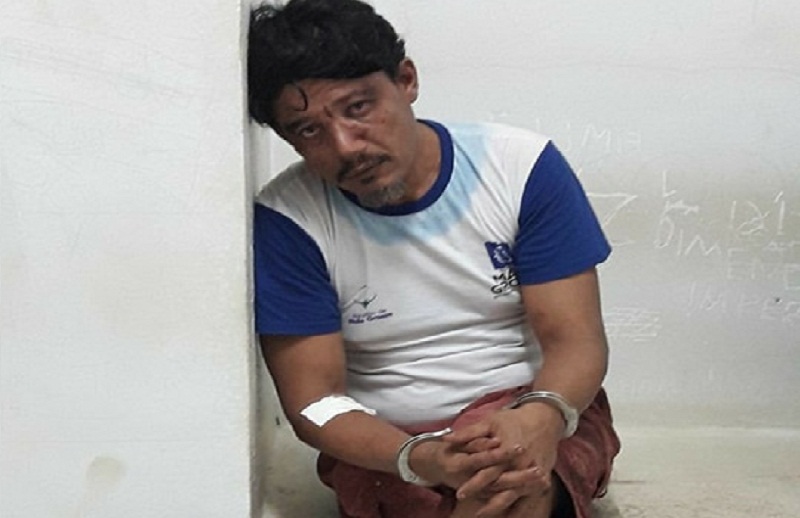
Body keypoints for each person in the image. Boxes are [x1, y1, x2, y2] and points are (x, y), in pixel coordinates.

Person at [248, 0, 620, 516]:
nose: (346, 146)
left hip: (530, 405)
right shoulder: (289, 219)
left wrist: (541, 416)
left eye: (359, 107)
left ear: (406, 80)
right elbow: (315, 402)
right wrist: (416, 457)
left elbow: (575, 340)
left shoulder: (518, 167)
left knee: (512, 487)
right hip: (385, 441)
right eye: (309, 130)